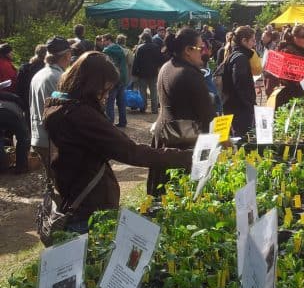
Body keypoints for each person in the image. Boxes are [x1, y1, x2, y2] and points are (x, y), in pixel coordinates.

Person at [43, 51, 192, 233]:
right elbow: (130, 151)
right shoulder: (81, 116)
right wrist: (187, 157)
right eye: (104, 90)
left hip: (73, 198)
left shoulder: (59, 107)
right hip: (89, 208)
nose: (106, 96)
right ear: (91, 85)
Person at [148, 28, 217, 194]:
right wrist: (223, 139)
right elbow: (208, 116)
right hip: (182, 144)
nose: (204, 52)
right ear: (188, 50)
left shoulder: (167, 66)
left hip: (164, 135)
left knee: (161, 194)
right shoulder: (190, 74)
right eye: (201, 48)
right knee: (179, 195)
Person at [29, 37, 73, 171]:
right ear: (67, 55)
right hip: (52, 140)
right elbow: (65, 111)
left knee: (53, 181)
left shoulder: (39, 74)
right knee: (63, 183)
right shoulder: (57, 77)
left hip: (39, 135)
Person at [222, 26, 257, 136]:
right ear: (244, 41)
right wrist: (250, 104)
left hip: (234, 107)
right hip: (240, 109)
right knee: (242, 140)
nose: (254, 43)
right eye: (252, 40)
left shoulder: (234, 55)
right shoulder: (240, 58)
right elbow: (240, 84)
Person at [132, 32, 164, 114]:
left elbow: (136, 62)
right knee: (154, 91)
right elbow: (160, 60)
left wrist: (134, 73)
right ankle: (155, 109)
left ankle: (143, 108)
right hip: (153, 72)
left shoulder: (139, 48)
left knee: (142, 91)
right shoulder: (156, 47)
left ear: (143, 39)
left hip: (142, 73)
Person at [16, 44, 47, 128]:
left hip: (26, 101)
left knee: (29, 126)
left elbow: (18, 87)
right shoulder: (46, 69)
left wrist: (20, 102)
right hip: (42, 102)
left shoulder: (24, 68)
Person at [0, 89, 30, 173]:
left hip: (6, 111)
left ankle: (2, 167)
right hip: (12, 113)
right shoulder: (16, 98)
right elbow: (23, 110)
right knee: (22, 139)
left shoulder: (6, 95)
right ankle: (21, 167)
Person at [102, 34, 128, 128]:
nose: (102, 42)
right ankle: (123, 122)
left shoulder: (106, 51)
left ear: (109, 40)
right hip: (123, 78)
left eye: (104, 40)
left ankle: (110, 124)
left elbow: (106, 66)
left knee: (110, 101)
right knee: (121, 102)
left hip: (113, 78)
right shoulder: (121, 49)